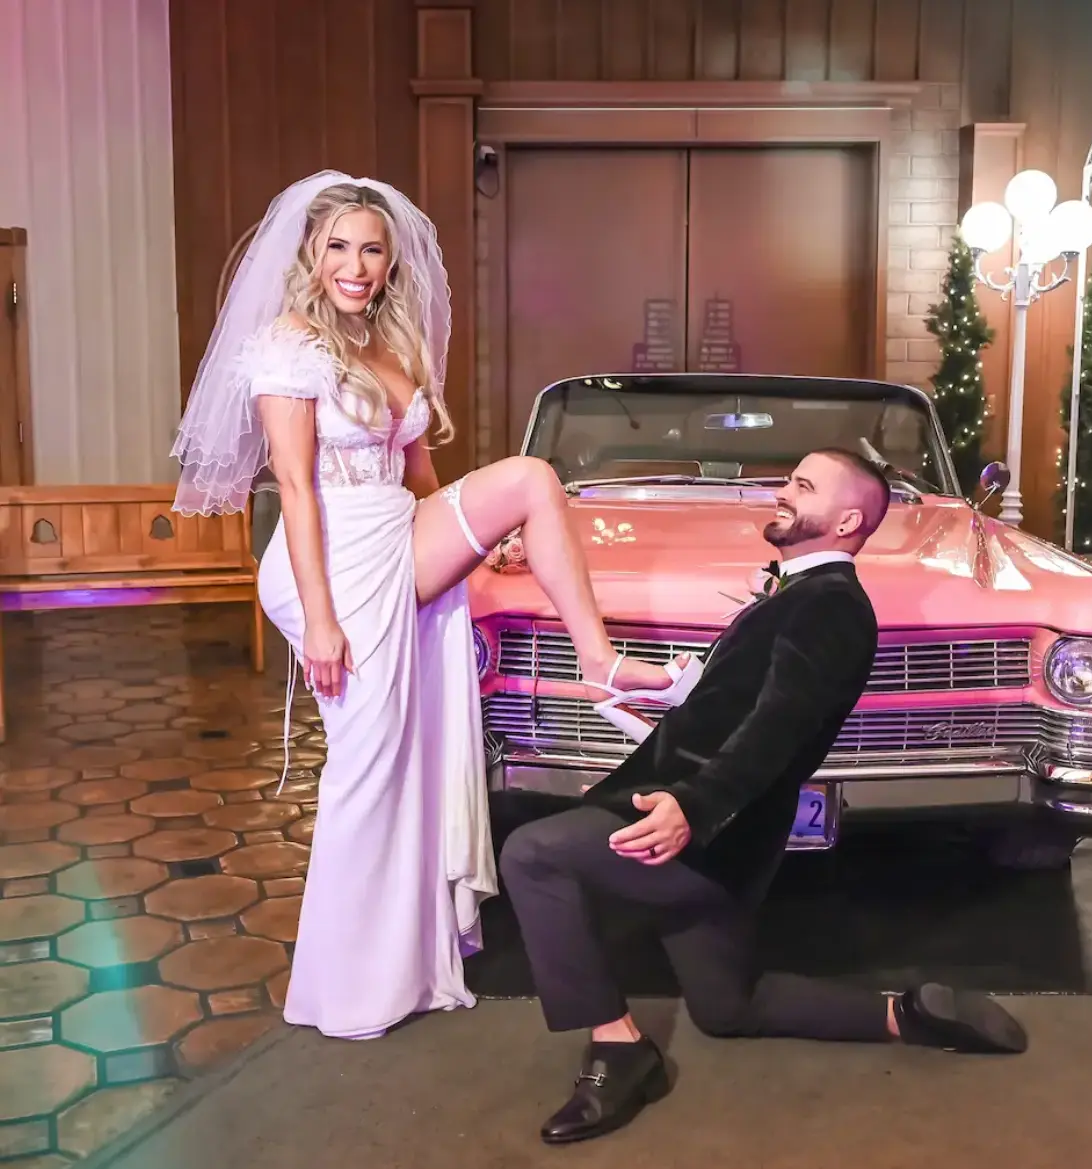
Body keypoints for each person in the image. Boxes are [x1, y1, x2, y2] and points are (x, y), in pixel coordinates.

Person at [169, 171, 699, 1041]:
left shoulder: (396, 345)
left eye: (371, 248)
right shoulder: (287, 345)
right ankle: (344, 990)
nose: (356, 263)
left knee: (530, 483)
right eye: (338, 245)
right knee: (369, 766)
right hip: (330, 558)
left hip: (397, 534)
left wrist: (483, 535)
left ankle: (601, 665)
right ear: (311, 252)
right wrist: (323, 619)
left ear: (388, 261)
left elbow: (421, 484)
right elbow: (296, 492)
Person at [498, 447, 1029, 1145]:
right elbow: (748, 702)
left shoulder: (833, 607)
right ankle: (908, 1015)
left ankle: (621, 1048)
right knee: (727, 1004)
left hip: (714, 831)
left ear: (845, 520)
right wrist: (682, 692)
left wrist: (694, 803)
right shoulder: (799, 594)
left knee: (534, 855)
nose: (780, 491)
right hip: (733, 835)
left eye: (801, 485)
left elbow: (780, 727)